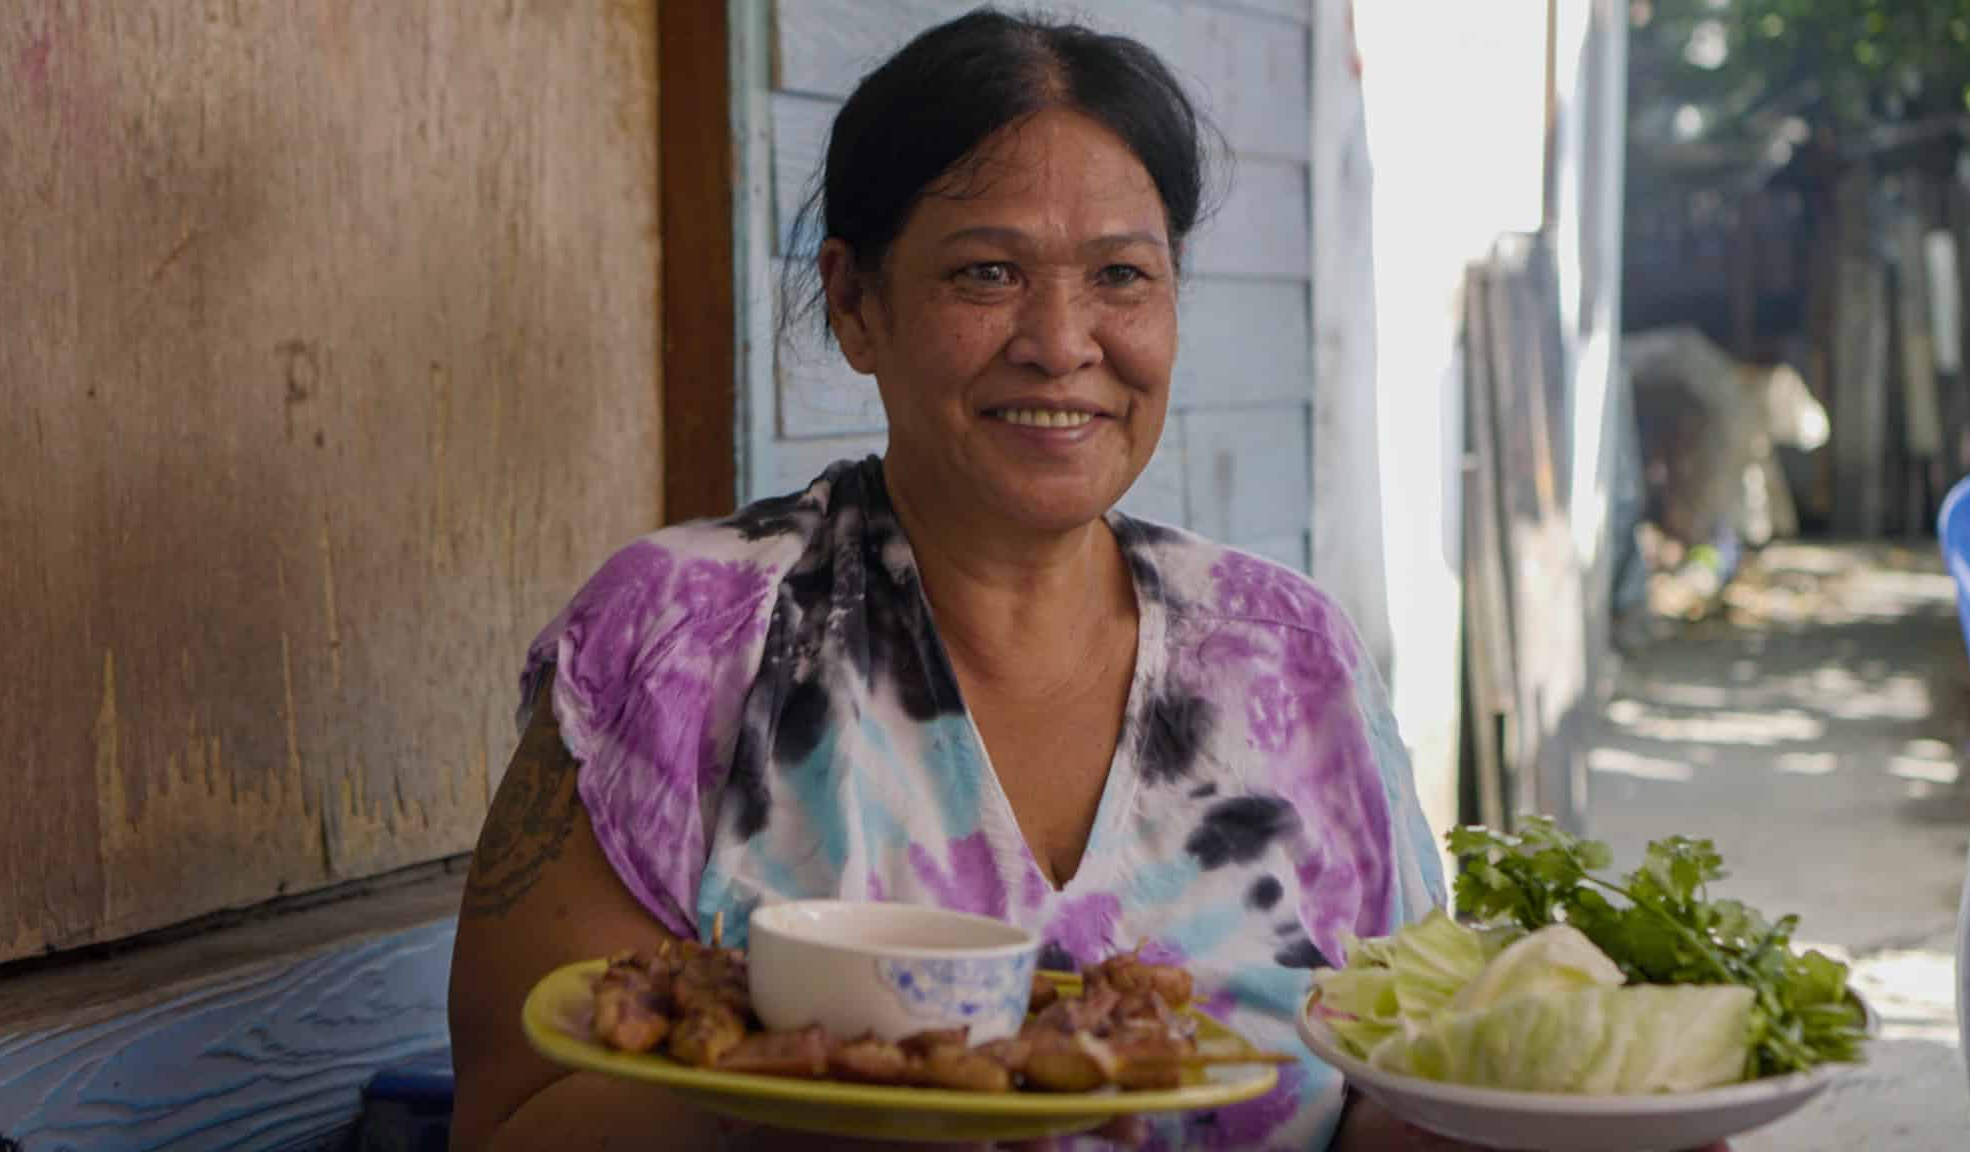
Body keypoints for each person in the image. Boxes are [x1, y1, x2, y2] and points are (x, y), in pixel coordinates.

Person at [446, 9, 1724, 1151]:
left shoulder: (1290, 663)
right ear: (853, 301)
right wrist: (812, 1099)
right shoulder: (679, 642)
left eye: (1120, 275)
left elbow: (1384, 1101)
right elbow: (513, 1120)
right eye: (985, 272)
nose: (1062, 345)